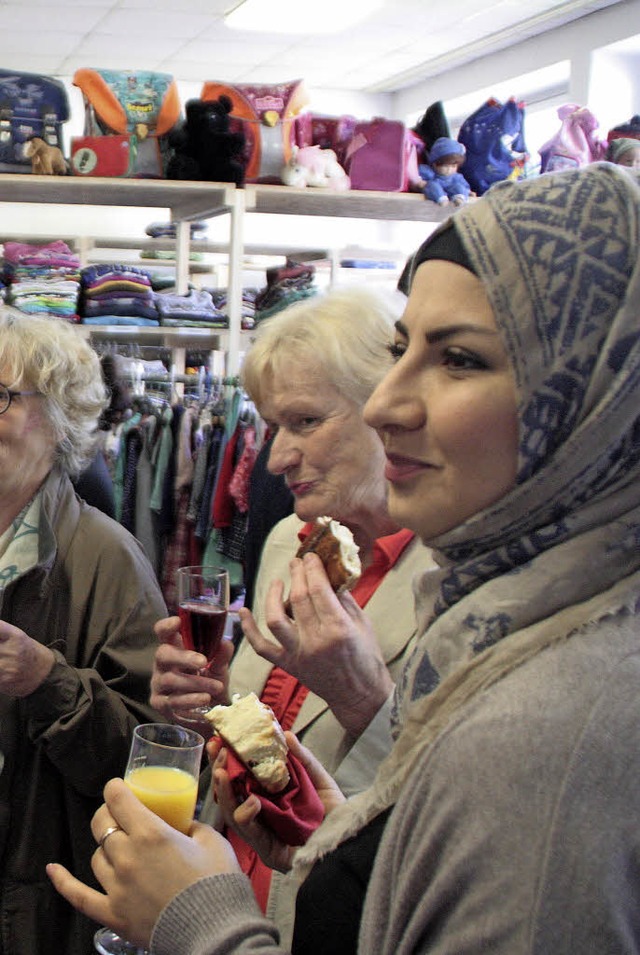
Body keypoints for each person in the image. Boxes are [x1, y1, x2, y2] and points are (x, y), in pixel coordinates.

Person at [48, 162, 640, 954]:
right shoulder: (311, 547)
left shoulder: (547, 699)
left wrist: (206, 922)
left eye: (458, 358)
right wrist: (218, 706)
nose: (274, 456)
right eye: (405, 353)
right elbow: (382, 821)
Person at [149, 286, 435, 942]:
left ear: (387, 407)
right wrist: (209, 702)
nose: (276, 457)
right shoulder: (289, 539)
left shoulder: (452, 583)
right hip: (229, 894)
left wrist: (365, 697)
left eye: (305, 422)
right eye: (274, 425)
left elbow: (452, 818)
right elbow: (272, 742)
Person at [0, 308, 165, 955]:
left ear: (60, 414)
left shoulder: (108, 558)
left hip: (37, 910)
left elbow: (151, 759)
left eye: (2, 396)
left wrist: (48, 681)